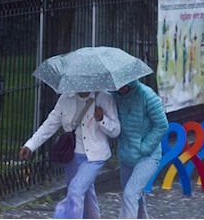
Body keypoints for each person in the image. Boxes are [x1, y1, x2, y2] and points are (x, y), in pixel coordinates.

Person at [19, 91, 120, 219]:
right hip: (71, 156)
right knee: (87, 195)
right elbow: (50, 124)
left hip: (95, 157)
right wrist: (30, 145)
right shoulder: (66, 99)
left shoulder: (104, 98)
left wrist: (102, 119)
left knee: (75, 190)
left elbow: (116, 130)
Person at [111, 80, 169, 219]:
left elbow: (162, 125)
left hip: (148, 156)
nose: (121, 87)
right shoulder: (112, 97)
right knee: (135, 196)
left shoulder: (147, 95)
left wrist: (145, 147)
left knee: (130, 194)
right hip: (126, 155)